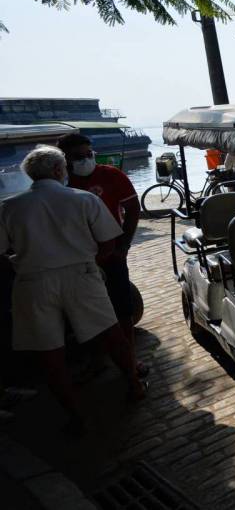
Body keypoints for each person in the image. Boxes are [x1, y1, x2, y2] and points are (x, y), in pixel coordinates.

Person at [0, 146, 144, 434]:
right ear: (58, 170)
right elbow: (108, 243)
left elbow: (2, 252)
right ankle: (135, 385)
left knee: (50, 353)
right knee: (111, 334)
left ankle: (76, 415)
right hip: (81, 274)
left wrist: (21, 266)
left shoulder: (10, 207)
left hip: (33, 282)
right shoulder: (83, 199)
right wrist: (92, 261)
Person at [56, 133, 144, 378]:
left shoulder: (111, 175)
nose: (85, 160)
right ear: (65, 159)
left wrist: (123, 246)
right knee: (83, 312)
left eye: (89, 154)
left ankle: (131, 359)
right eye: (78, 157)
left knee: (122, 309)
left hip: (112, 255)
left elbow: (133, 209)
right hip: (77, 259)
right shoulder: (60, 183)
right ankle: (96, 358)